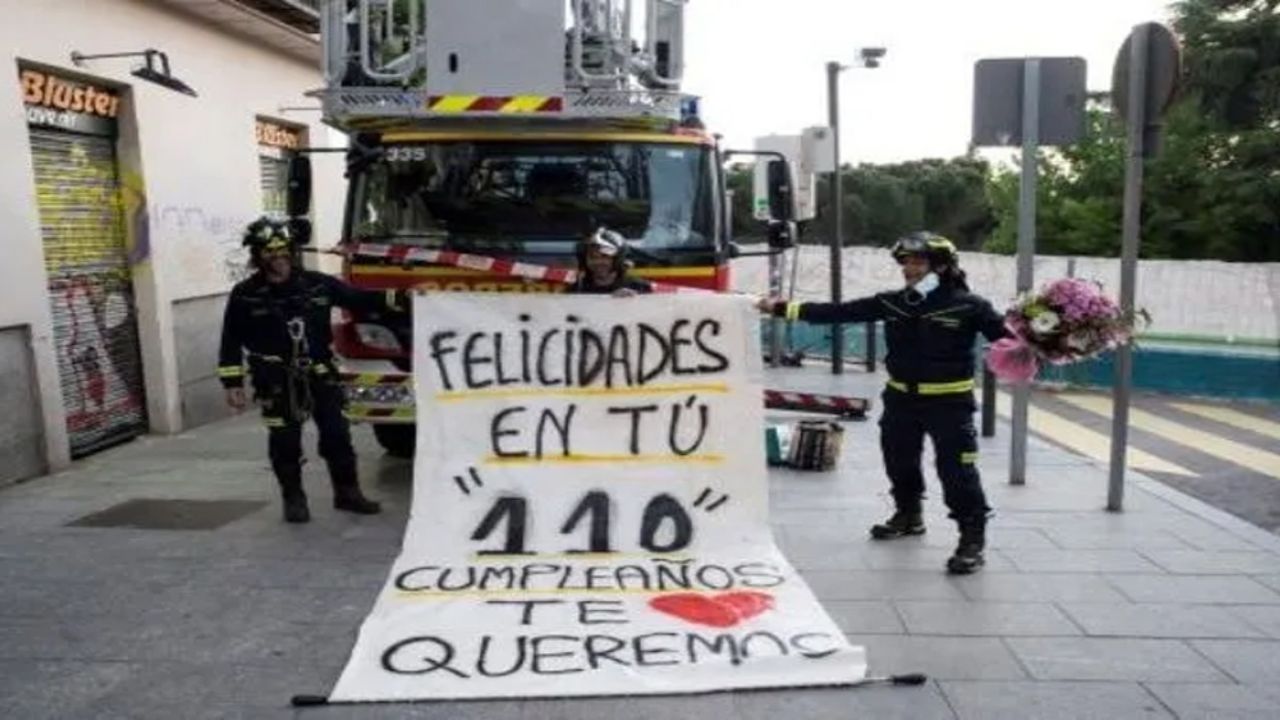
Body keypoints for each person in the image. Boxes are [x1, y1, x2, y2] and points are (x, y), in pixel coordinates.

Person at [757, 232, 1007, 574]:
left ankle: (971, 539)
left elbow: (1008, 337)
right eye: (906, 262)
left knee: (956, 472)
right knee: (899, 462)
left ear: (942, 266)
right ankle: (908, 516)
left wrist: (1047, 332)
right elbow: (839, 312)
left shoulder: (970, 306)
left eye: (919, 261)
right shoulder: (894, 302)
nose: (910, 268)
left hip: (950, 404)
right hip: (901, 399)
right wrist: (782, 307)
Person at [218, 218, 405, 523]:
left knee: (336, 434)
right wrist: (232, 383)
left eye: (282, 250)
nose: (277, 256)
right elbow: (230, 341)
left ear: (292, 251)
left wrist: (404, 298)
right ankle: (294, 499)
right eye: (269, 251)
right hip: (274, 380)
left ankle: (347, 493)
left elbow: (359, 300)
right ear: (257, 255)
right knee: (284, 440)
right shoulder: (244, 294)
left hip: (320, 375)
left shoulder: (318, 284)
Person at [568, 228, 654, 296]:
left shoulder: (640, 287)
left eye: (605, 257)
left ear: (618, 258)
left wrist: (632, 302)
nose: (598, 262)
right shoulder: (577, 289)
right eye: (592, 257)